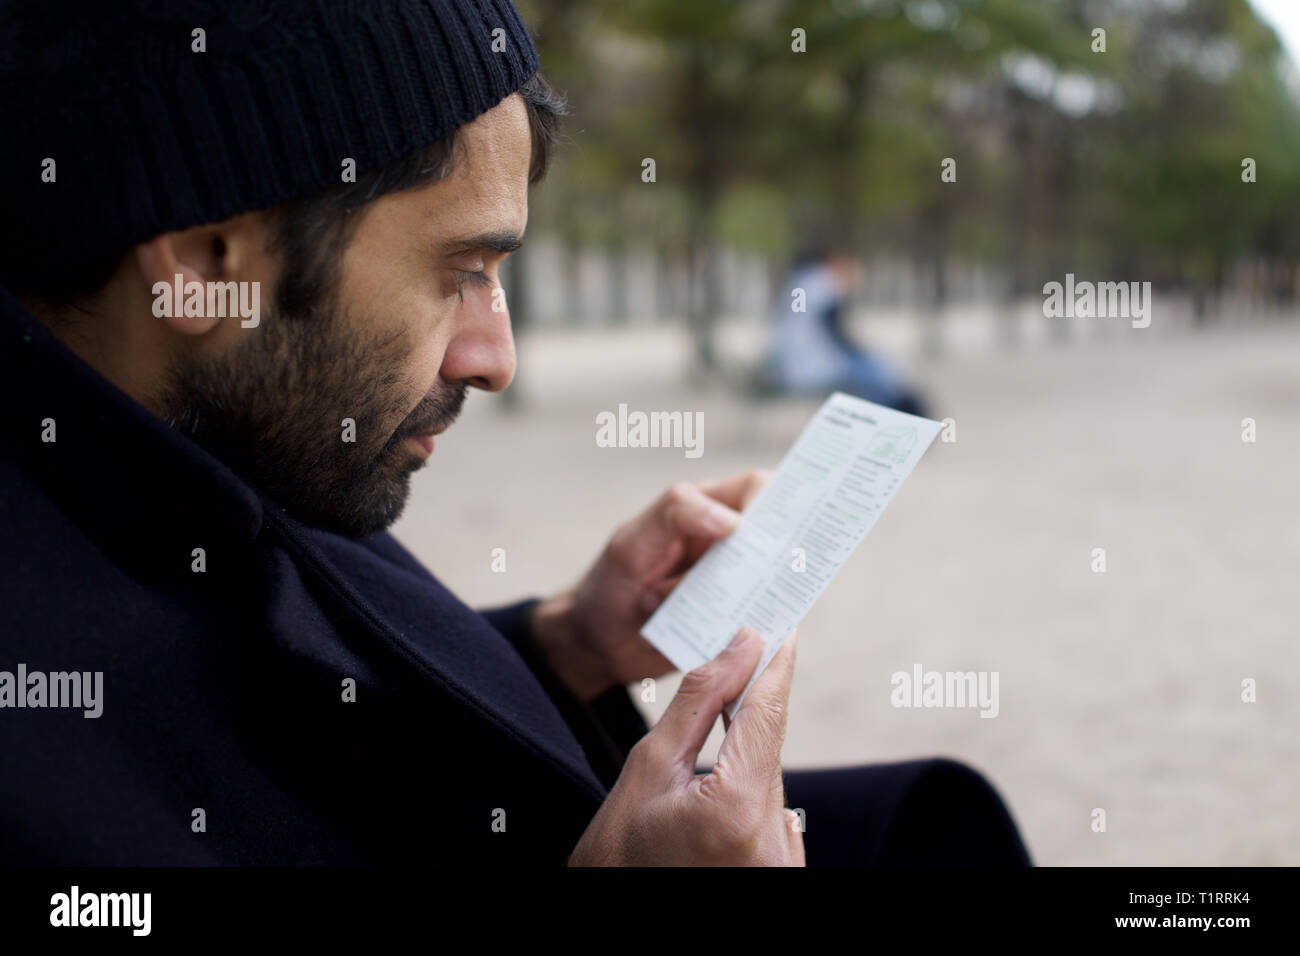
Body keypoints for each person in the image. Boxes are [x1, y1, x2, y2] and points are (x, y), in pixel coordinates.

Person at [0, 0, 1026, 866]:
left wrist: (563, 643)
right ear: (207, 265)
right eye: (460, 272)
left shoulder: (222, 432)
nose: (493, 356)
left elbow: (294, 710)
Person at [769, 247, 930, 417]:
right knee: (879, 373)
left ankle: (896, 414)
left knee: (876, 371)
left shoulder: (799, 281)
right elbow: (835, 329)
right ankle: (896, 418)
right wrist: (862, 352)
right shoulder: (822, 282)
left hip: (791, 366)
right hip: (816, 367)